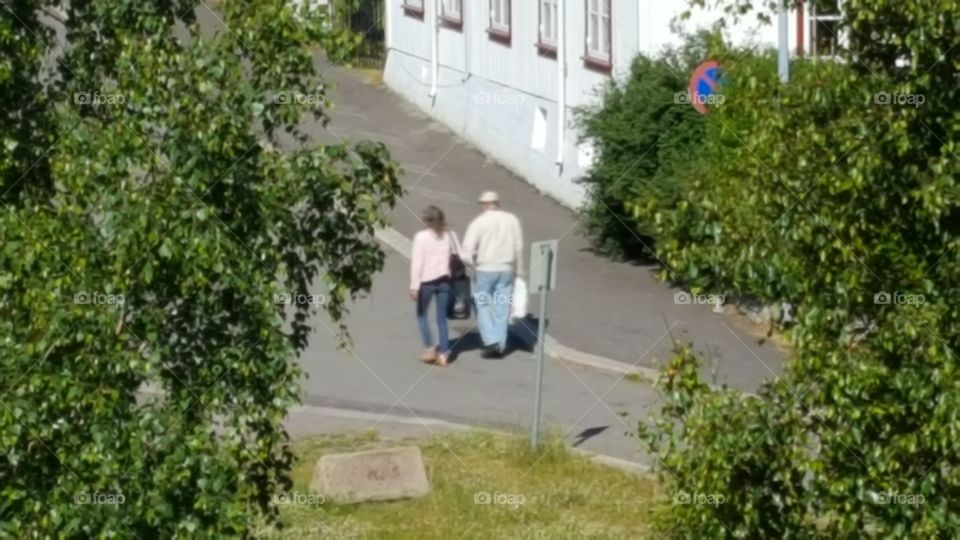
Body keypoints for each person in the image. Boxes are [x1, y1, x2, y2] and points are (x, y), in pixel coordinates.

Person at [462, 191, 524, 358]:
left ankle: (490, 341)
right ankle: (501, 344)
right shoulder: (512, 219)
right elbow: (519, 246)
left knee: (481, 304)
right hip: (506, 269)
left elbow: (466, 251)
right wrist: (520, 269)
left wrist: (471, 262)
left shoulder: (478, 222)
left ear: (484, 204)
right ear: (497, 203)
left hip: (485, 269)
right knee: (501, 306)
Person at [410, 205, 459, 367]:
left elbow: (418, 263)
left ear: (427, 220)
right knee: (442, 319)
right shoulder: (449, 235)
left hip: (427, 282)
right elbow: (460, 254)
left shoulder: (421, 237)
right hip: (445, 281)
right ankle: (444, 354)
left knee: (422, 315)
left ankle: (430, 348)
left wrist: (414, 286)